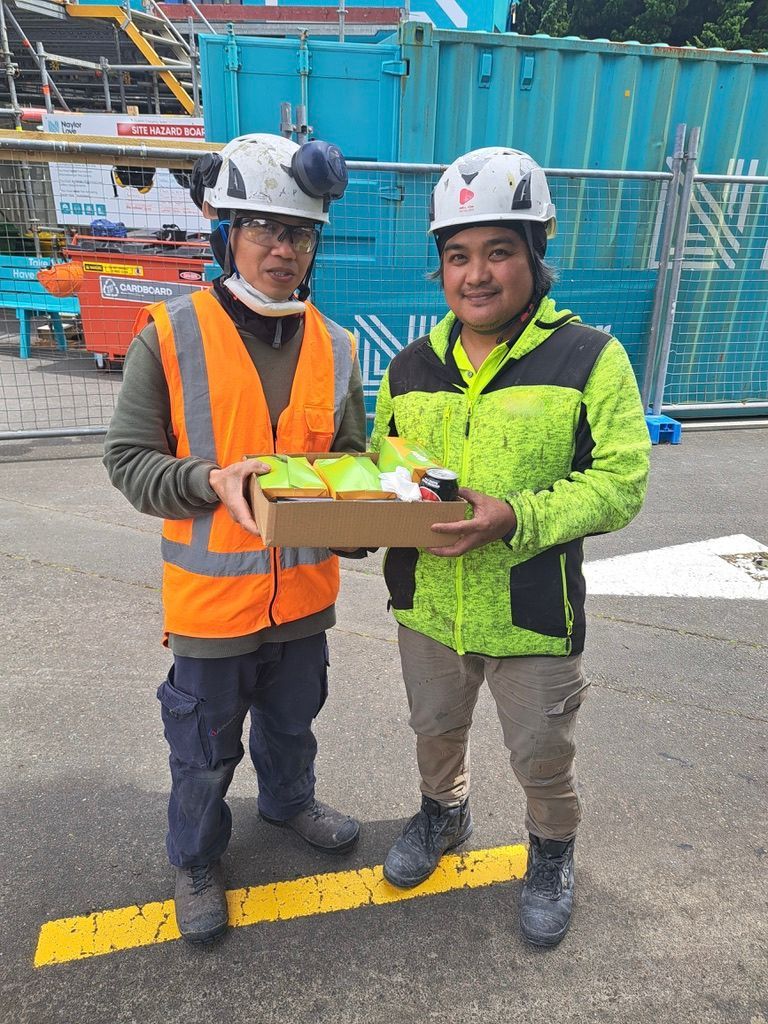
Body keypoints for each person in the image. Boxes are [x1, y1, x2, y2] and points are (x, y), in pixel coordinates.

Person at [371, 146, 650, 947]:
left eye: (499, 251)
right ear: (441, 266)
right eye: (458, 255)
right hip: (426, 606)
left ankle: (552, 852)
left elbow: (621, 484)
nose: (476, 274)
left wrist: (513, 517)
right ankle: (444, 814)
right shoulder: (411, 367)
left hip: (533, 613)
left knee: (541, 751)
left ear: (536, 251)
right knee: (433, 729)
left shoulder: (590, 358)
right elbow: (390, 475)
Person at [104, 133, 366, 944]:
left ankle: (288, 803)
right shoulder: (170, 334)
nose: (284, 250)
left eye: (300, 234)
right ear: (226, 233)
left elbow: (351, 462)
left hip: (305, 602)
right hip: (213, 606)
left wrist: (365, 518)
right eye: (264, 229)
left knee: (293, 723)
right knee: (205, 749)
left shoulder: (338, 345)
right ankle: (196, 856)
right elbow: (127, 461)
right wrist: (205, 479)